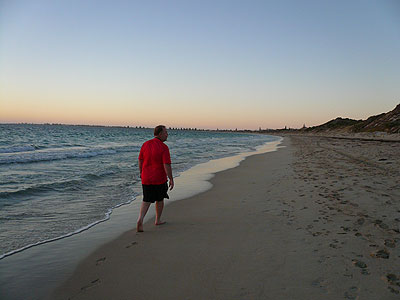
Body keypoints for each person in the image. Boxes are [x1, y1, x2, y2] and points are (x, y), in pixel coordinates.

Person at [136, 125, 174, 232]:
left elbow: (140, 160)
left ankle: (140, 219)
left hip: (146, 177)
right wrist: (171, 178)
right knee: (160, 199)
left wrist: (141, 172)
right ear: (160, 134)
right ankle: (157, 220)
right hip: (159, 178)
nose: (167, 134)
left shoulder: (145, 144)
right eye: (165, 132)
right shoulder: (164, 147)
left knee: (146, 199)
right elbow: (166, 164)